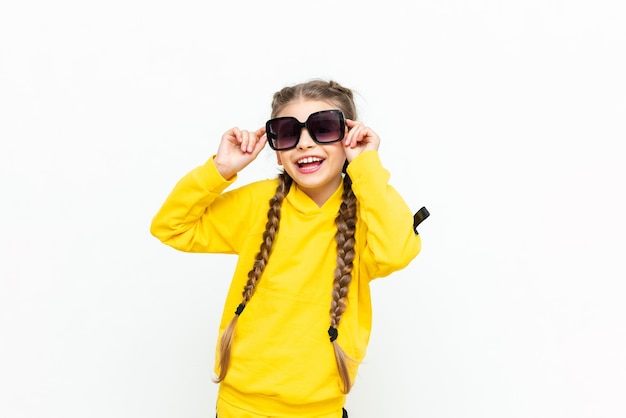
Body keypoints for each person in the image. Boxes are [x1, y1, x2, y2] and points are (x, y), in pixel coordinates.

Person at [150, 79, 423, 417]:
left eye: (323, 128)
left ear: (350, 138)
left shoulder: (371, 211)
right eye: (288, 133)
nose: (305, 144)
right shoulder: (257, 203)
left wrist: (366, 166)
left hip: (320, 409)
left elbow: (397, 252)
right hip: (241, 406)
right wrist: (218, 171)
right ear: (277, 150)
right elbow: (171, 227)